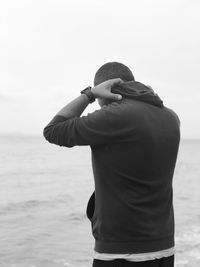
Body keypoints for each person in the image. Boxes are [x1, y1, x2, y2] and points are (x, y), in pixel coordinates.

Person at [43, 62, 180, 267]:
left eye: (99, 98)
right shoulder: (171, 117)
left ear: (106, 90)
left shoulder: (117, 115)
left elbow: (53, 130)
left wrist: (88, 94)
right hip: (164, 247)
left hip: (122, 253)